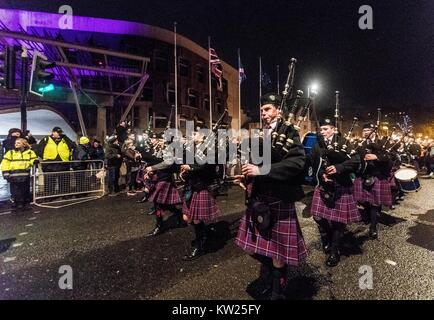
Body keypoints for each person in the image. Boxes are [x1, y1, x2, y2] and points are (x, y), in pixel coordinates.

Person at [234, 93, 307, 300]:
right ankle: (275, 274)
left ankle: (277, 290)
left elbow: (296, 163)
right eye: (262, 110)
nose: (263, 113)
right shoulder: (260, 134)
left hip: (279, 197)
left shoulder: (289, 131)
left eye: (267, 109)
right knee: (255, 246)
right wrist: (247, 178)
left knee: (277, 251)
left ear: (278, 110)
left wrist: (261, 170)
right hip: (259, 196)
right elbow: (256, 164)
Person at [310, 117, 361, 267]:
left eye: (326, 129)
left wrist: (338, 168)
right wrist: (321, 175)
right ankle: (327, 234)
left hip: (341, 185)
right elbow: (313, 163)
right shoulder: (317, 144)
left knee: (338, 221)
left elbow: (356, 160)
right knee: (318, 216)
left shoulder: (344, 142)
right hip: (323, 185)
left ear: (334, 129)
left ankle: (334, 250)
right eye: (321, 129)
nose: (323, 132)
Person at [180, 129, 221, 261]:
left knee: (196, 219)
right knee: (187, 218)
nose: (191, 135)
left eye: (195, 134)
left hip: (202, 187)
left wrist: (190, 167)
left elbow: (205, 166)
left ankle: (200, 246)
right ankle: (205, 234)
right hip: (191, 186)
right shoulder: (191, 148)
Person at [353, 123, 393, 239]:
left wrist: (377, 157)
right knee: (363, 200)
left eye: (369, 130)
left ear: (374, 131)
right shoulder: (360, 144)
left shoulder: (383, 143)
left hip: (377, 176)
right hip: (363, 175)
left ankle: (373, 226)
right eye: (364, 130)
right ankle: (369, 214)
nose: (366, 132)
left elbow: (391, 158)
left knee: (375, 203)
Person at [36, 127, 75, 195]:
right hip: (50, 164)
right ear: (53, 132)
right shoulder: (46, 139)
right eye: (57, 132)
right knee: (49, 181)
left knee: (64, 181)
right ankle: (49, 195)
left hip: (63, 163)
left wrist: (66, 137)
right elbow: (39, 150)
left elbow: (72, 146)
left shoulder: (64, 139)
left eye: (60, 132)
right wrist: (46, 157)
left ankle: (64, 194)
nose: (59, 134)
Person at [1, 138, 37, 211]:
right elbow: (5, 163)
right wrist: (5, 173)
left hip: (25, 174)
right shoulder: (10, 152)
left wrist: (34, 161)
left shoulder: (30, 152)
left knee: (24, 189)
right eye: (15, 143)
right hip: (13, 175)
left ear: (24, 144)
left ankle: (24, 203)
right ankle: (17, 203)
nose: (16, 144)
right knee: (14, 190)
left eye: (18, 143)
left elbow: (33, 159)